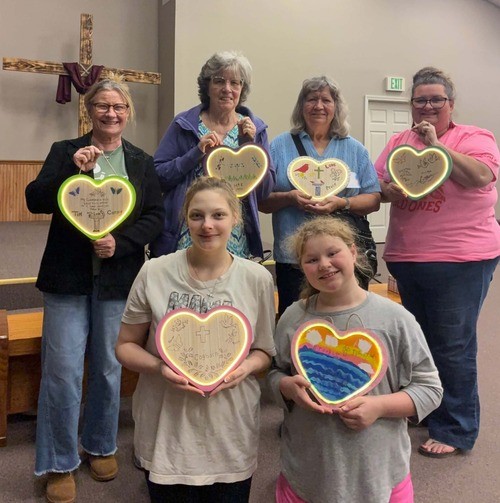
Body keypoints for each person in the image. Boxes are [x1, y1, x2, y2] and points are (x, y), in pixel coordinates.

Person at [25, 77, 164, 503]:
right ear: (89, 110)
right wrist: (72, 170)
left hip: (118, 280)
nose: (111, 113)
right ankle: (59, 462)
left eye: (119, 106)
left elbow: (154, 216)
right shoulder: (65, 150)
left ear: (128, 113)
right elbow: (35, 199)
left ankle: (101, 445)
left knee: (108, 367)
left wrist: (121, 243)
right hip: (67, 279)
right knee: (62, 370)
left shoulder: (140, 161)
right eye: (102, 105)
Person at [116, 176, 276, 502]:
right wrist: (160, 368)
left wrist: (244, 369)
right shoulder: (154, 272)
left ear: (235, 218)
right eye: (197, 215)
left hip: (229, 431)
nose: (207, 225)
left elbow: (263, 351)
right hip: (166, 428)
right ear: (185, 219)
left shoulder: (257, 279)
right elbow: (125, 346)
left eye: (218, 215)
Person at [267, 216, 442, 503]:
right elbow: (274, 373)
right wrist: (285, 387)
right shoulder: (292, 317)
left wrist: (379, 406)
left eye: (332, 253)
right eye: (312, 259)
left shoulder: (395, 319)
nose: (324, 264)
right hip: (308, 473)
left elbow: (430, 389)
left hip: (378, 474)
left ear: (353, 251)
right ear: (302, 267)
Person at [375, 67, 500, 458]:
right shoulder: (399, 142)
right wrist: (389, 189)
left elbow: (481, 176)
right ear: (411, 104)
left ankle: (456, 427)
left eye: (436, 99)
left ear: (451, 103)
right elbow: (378, 182)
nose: (427, 106)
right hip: (408, 258)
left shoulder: (475, 137)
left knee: (452, 345)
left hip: (462, 260)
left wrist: (438, 147)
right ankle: (428, 407)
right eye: (420, 100)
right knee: (420, 343)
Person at [258, 76, 380, 317]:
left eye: (326, 100)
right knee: (295, 319)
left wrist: (343, 202)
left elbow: (374, 199)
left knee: (345, 319)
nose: (319, 106)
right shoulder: (279, 146)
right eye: (311, 99)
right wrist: (289, 197)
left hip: (341, 259)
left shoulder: (354, 150)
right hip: (294, 259)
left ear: (336, 106)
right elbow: (262, 201)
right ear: (301, 106)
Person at [150, 50, 276, 260]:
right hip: (188, 234)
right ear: (207, 86)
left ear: (242, 89)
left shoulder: (255, 128)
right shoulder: (184, 124)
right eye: (219, 81)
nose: (227, 89)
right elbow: (158, 176)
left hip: (235, 239)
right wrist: (195, 153)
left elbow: (265, 191)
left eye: (235, 83)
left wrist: (249, 146)